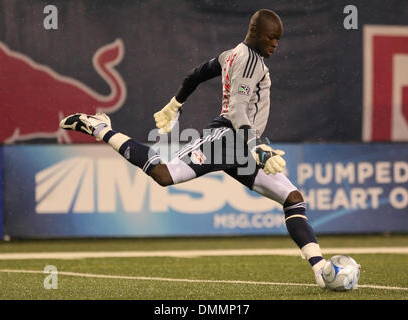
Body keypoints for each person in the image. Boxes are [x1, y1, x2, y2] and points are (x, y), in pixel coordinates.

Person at [59, 9, 327, 288]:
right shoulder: (250, 62)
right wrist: (258, 146)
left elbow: (196, 74)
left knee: (293, 198)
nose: (275, 44)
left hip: (242, 145)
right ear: (255, 32)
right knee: (164, 175)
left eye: (278, 39)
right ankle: (98, 127)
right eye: (272, 38)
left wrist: (176, 102)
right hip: (227, 139)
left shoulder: (231, 55)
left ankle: (321, 271)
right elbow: (236, 111)